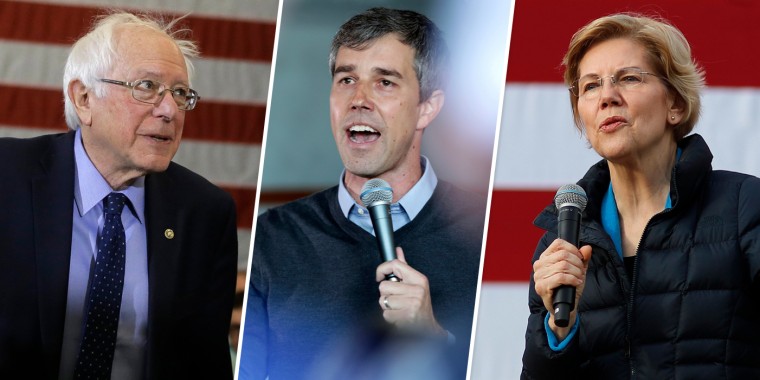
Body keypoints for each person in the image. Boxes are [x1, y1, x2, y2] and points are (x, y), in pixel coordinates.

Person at [240, 7, 484, 380]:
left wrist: (434, 339)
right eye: (346, 79)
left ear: (427, 107)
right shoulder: (273, 238)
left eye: (384, 82)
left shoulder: (483, 235)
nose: (359, 99)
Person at [0, 12, 238, 379]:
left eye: (179, 93)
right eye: (146, 86)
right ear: (83, 98)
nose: (169, 110)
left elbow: (204, 363)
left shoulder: (205, 213)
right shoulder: (7, 175)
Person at [521, 13, 760, 379]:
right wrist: (557, 331)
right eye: (590, 87)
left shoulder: (746, 206)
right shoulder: (561, 241)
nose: (607, 98)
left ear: (675, 105)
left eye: (629, 78)